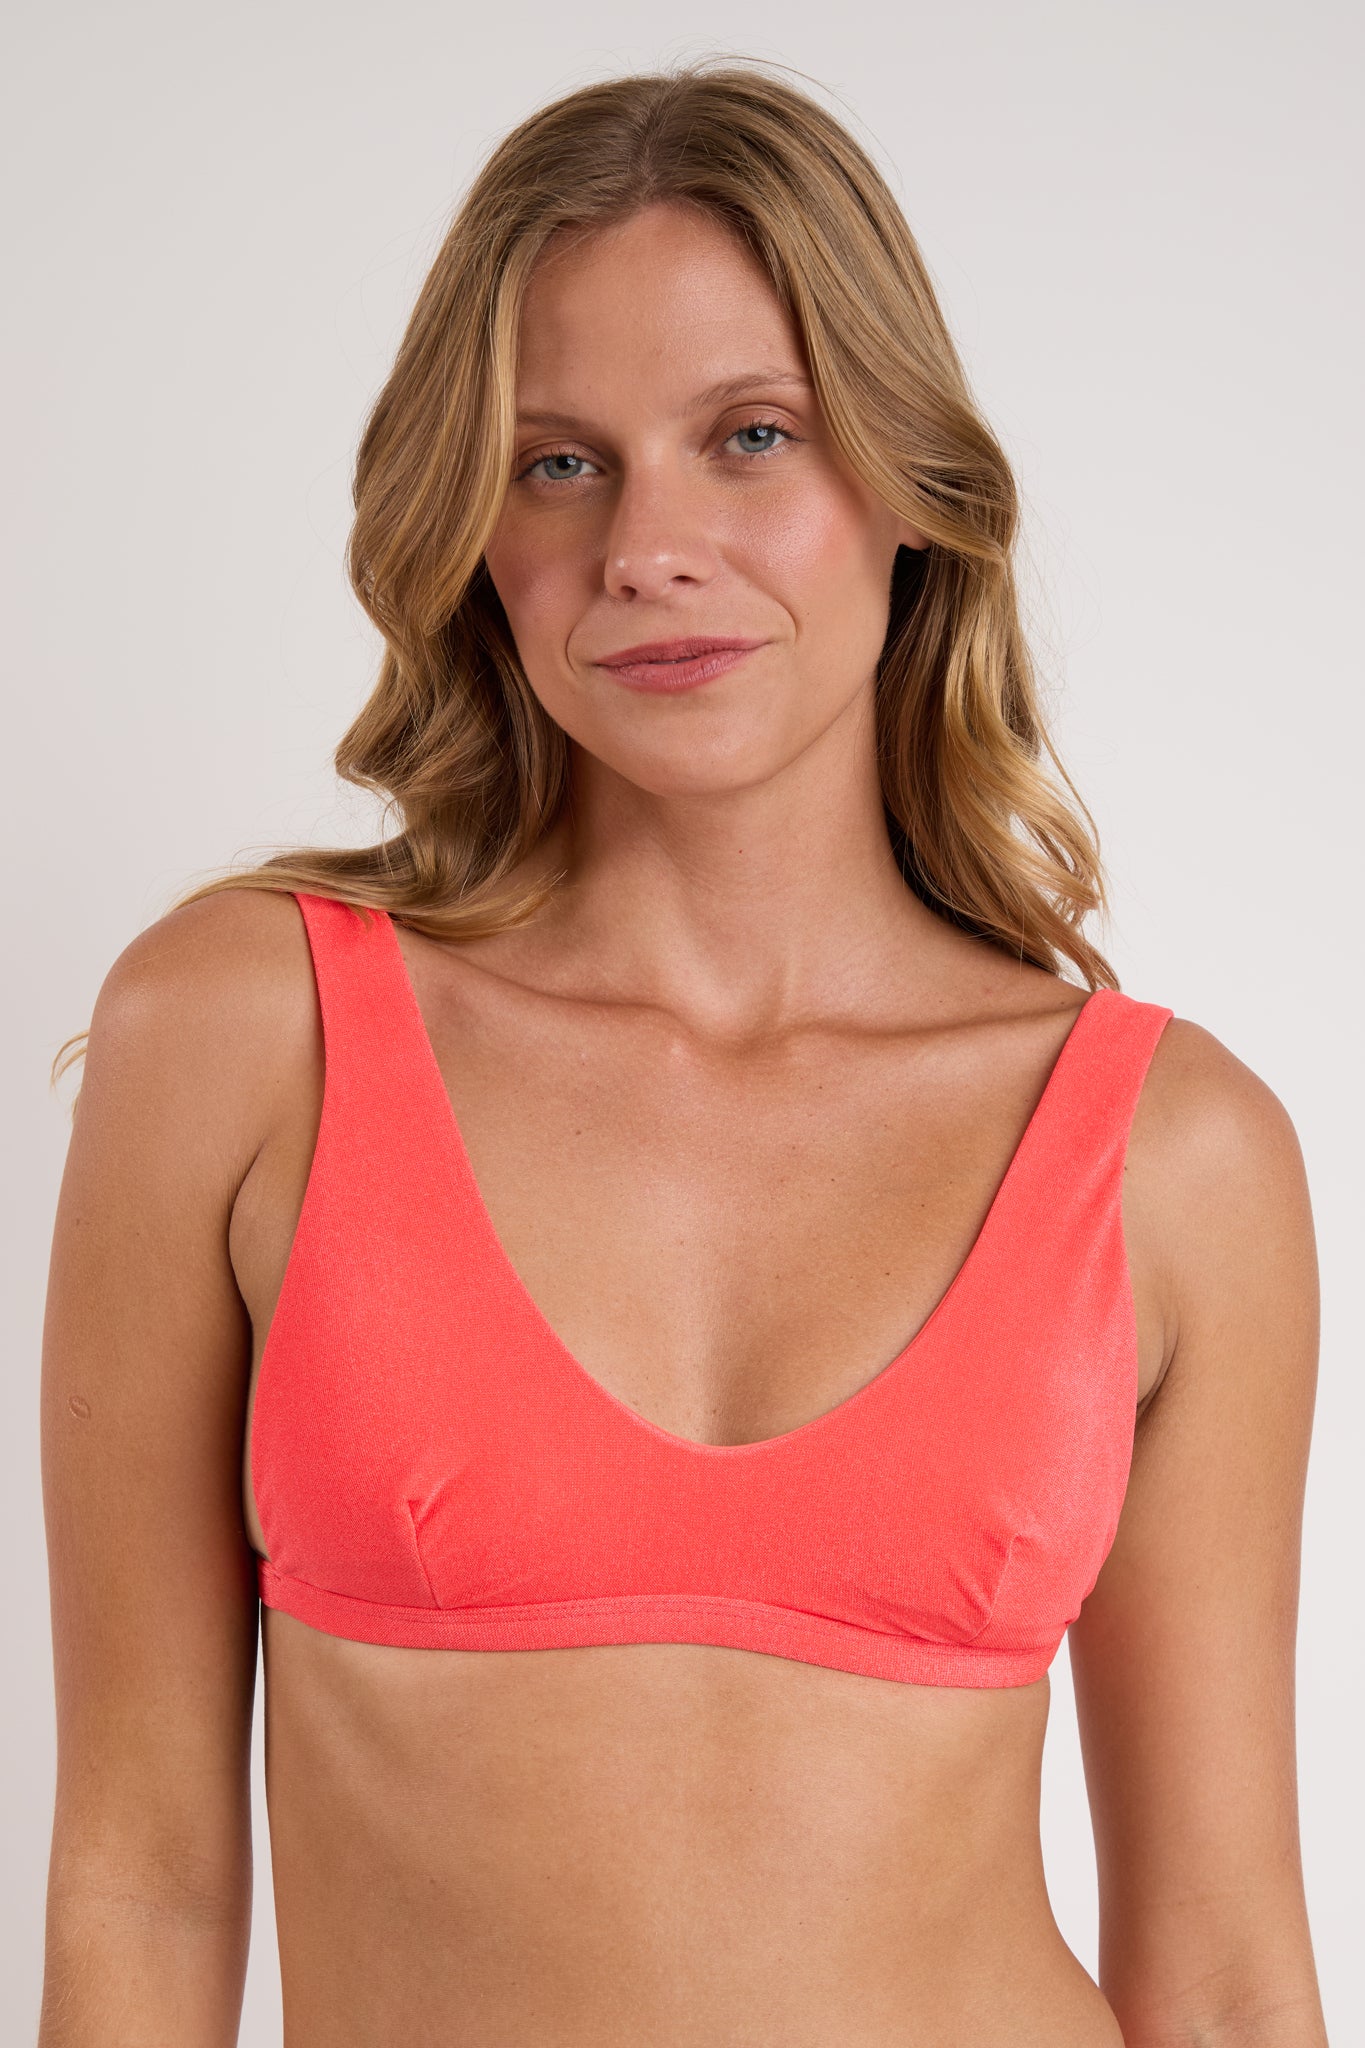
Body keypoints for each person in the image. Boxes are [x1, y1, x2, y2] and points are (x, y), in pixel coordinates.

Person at [38, 57, 1328, 2048]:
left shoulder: (1171, 1151)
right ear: (470, 525)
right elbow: (142, 1872)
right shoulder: (241, 1037)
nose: (648, 543)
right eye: (558, 462)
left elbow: (1223, 1970)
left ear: (904, 483)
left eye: (750, 436)